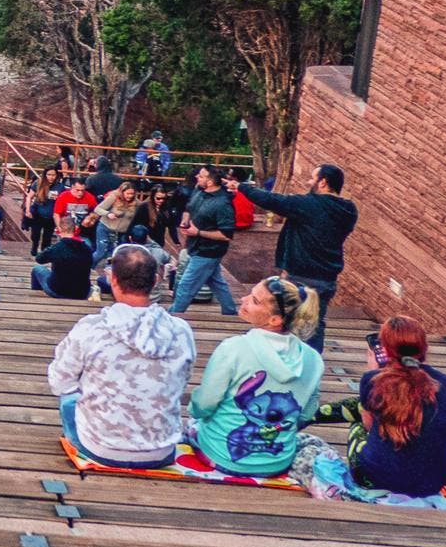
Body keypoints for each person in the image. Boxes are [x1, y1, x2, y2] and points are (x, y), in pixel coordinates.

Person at [47, 245, 198, 469]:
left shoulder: (91, 327)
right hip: (162, 450)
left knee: (69, 399)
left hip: (100, 448)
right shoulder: (181, 330)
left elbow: (59, 383)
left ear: (113, 280)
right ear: (156, 281)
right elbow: (183, 379)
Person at [190, 277, 324, 477]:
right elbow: (306, 413)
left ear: (275, 320)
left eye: (254, 300)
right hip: (278, 461)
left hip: (222, 455)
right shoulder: (314, 359)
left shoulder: (233, 348)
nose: (243, 299)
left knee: (192, 426)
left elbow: (204, 404)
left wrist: (194, 412)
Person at [233, 163, 357, 351]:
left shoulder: (309, 204)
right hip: (327, 277)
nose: (308, 182)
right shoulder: (349, 210)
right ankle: (312, 361)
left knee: (289, 320)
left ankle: (285, 357)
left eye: (312, 178)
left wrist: (241, 187)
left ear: (323, 182)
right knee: (315, 322)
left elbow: (272, 200)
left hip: (301, 276)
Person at [350, 316, 446, 498]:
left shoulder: (372, 380)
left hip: (377, 479)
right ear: (424, 348)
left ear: (385, 350)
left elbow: (368, 425)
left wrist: (374, 370)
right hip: (432, 484)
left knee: (357, 424)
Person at [170, 166, 239, 317]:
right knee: (216, 282)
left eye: (201, 176)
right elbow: (189, 207)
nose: (197, 177)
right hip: (194, 246)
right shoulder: (199, 190)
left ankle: (173, 315)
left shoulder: (223, 204)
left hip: (209, 251)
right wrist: (185, 220)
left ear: (210, 182)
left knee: (186, 286)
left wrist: (198, 232)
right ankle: (230, 311)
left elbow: (226, 235)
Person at [33, 214, 96, 299]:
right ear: (76, 229)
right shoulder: (87, 248)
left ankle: (36, 297)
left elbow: (39, 259)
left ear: (59, 229)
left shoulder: (57, 248)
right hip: (82, 292)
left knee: (37, 269)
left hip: (58, 291)